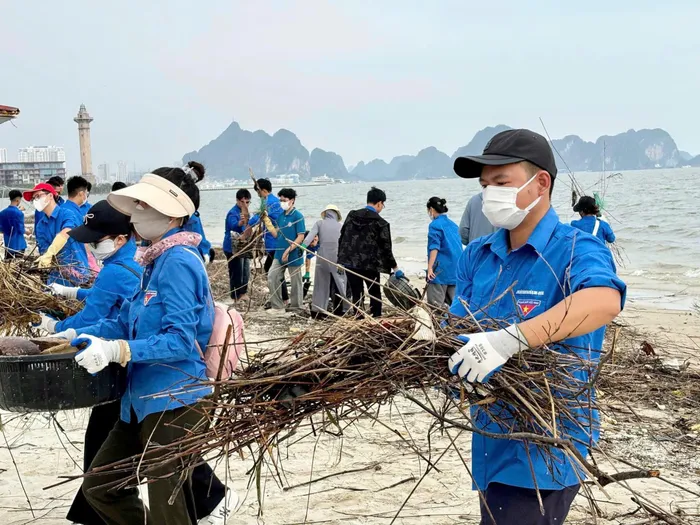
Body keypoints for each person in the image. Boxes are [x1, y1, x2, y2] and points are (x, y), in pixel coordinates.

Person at [449, 129, 626, 525]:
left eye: (501, 182)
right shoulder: (478, 254)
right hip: (490, 439)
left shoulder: (576, 248)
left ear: (540, 182)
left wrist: (511, 339)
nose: (488, 194)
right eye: (484, 185)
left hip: (547, 446)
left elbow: (603, 300)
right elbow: (456, 327)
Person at [55, 165, 222, 525]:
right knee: (101, 485)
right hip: (138, 400)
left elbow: (181, 340)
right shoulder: (153, 259)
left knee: (168, 508)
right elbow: (125, 318)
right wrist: (75, 335)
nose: (137, 214)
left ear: (173, 213)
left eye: (146, 206)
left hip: (174, 399)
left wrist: (120, 350)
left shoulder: (178, 262)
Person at [337, 187, 402, 318]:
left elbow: (343, 236)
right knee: (374, 293)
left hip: (351, 262)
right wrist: (395, 268)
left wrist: (340, 259)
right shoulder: (380, 223)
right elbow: (386, 248)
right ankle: (376, 318)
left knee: (357, 293)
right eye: (383, 204)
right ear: (379, 203)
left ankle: (359, 318)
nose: (382, 207)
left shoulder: (351, 215)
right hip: (370, 265)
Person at [24, 182, 90, 285]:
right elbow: (44, 251)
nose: (35, 201)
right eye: (33, 199)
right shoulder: (41, 225)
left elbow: (67, 232)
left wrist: (51, 252)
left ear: (50, 196)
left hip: (78, 274)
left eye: (38, 196)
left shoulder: (66, 213)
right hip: (56, 277)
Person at [247, 178, 287, 304]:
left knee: (272, 270)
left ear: (263, 191)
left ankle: (280, 298)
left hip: (275, 242)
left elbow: (259, 217)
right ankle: (282, 298)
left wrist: (247, 225)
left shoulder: (269, 203)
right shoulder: (275, 201)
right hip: (274, 242)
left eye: (258, 192)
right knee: (275, 270)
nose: (258, 195)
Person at [267, 188, 305, 315]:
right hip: (279, 253)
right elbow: (276, 234)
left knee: (296, 283)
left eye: (284, 200)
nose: (282, 202)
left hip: (293, 254)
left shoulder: (298, 216)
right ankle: (277, 306)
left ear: (292, 201)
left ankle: (296, 308)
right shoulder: (281, 216)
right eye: (280, 200)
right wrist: (266, 221)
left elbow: (300, 236)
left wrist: (289, 250)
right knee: (272, 276)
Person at [303, 205, 346, 317]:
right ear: (337, 214)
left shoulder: (319, 223)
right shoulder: (341, 226)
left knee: (321, 284)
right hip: (337, 259)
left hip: (322, 258)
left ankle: (318, 311)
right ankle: (342, 310)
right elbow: (346, 243)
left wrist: (301, 246)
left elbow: (310, 237)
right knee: (340, 283)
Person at [425, 197, 462, 307]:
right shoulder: (453, 225)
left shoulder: (435, 225)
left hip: (440, 270)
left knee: (436, 306)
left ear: (431, 209)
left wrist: (430, 268)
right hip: (455, 269)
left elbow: (434, 247)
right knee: (454, 306)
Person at [223, 189, 252, 301]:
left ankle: (243, 292)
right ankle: (235, 296)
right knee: (236, 272)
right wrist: (240, 222)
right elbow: (233, 225)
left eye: (248, 202)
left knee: (245, 270)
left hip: (243, 246)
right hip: (232, 247)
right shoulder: (233, 212)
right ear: (237, 201)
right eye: (243, 202)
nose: (245, 204)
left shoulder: (246, 213)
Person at [0, 190, 27, 259]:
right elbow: (21, 230)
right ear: (18, 200)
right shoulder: (19, 213)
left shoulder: (2, 213)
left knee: (8, 266)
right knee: (19, 265)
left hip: (8, 244)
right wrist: (28, 231)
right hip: (19, 244)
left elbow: (1, 229)